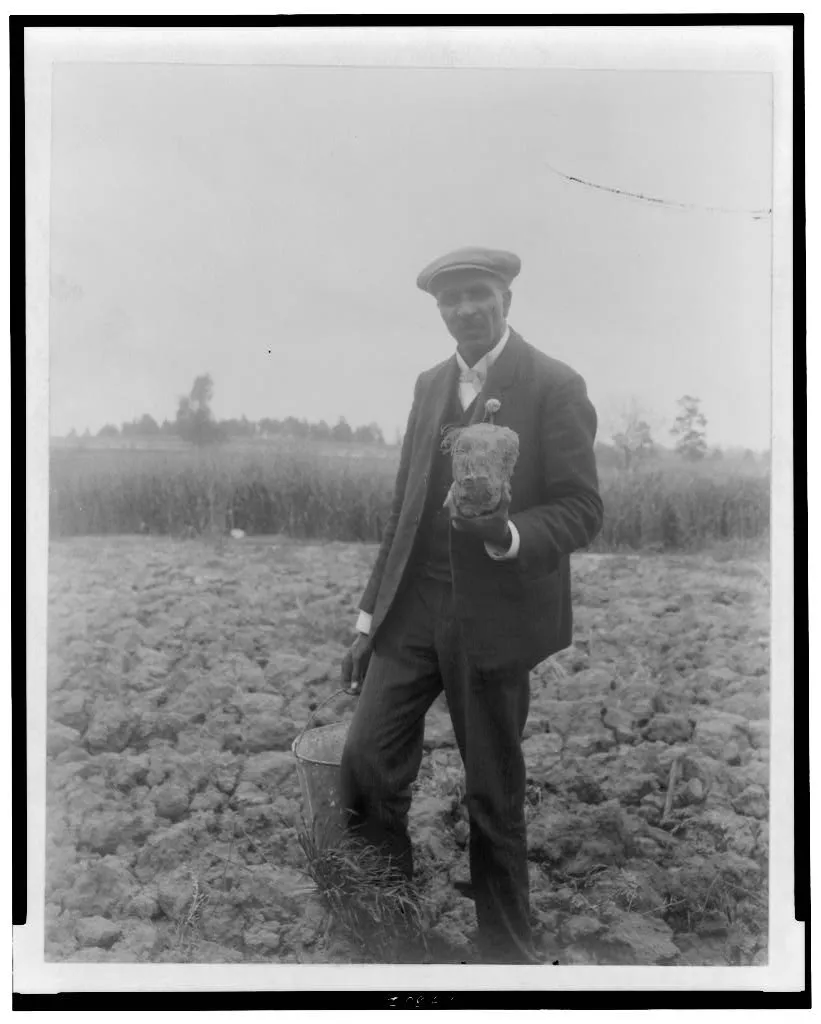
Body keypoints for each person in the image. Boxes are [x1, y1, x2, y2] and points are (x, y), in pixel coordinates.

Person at [339, 246, 604, 963]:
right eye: (449, 299)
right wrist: (367, 619)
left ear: (506, 300)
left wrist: (506, 533)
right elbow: (404, 508)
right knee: (365, 759)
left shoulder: (553, 384)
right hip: (413, 607)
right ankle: (392, 931)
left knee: (491, 792)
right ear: (439, 310)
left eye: (478, 294)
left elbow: (581, 508)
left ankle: (506, 959)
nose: (464, 309)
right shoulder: (430, 384)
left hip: (493, 618)